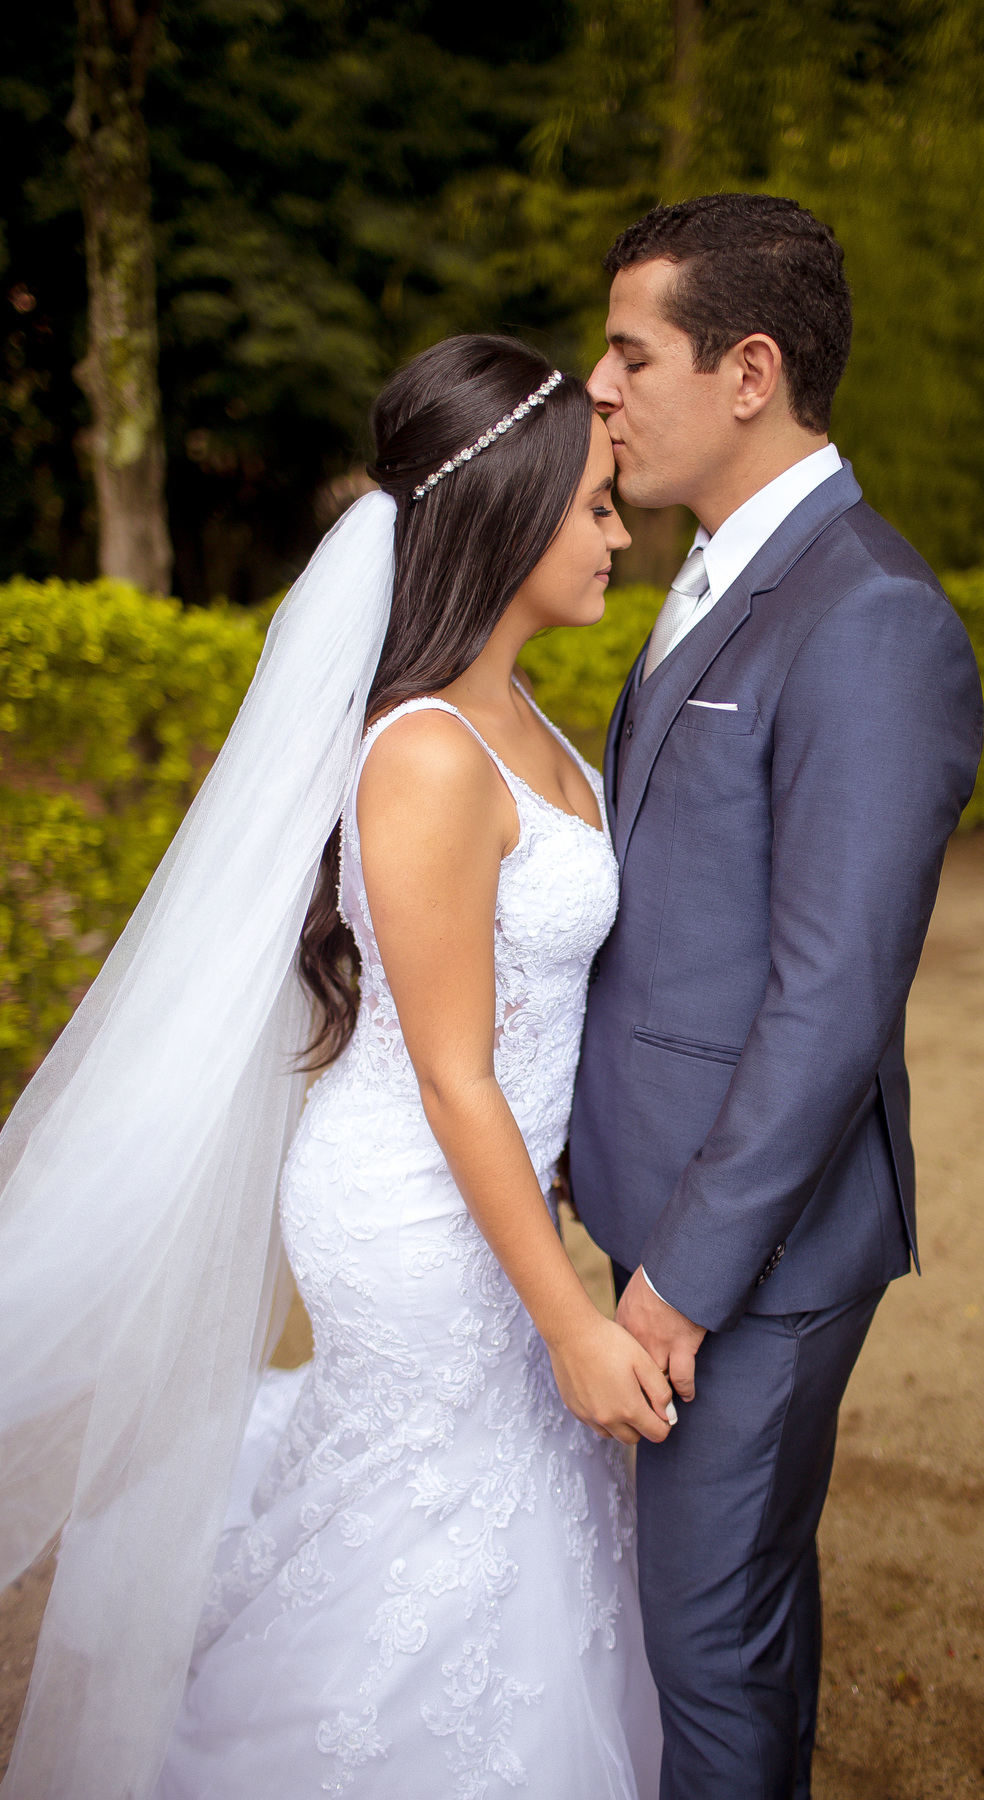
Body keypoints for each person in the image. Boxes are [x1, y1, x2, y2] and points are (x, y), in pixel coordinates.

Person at [0, 336, 664, 1800]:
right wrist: (567, 1318)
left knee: (497, 1521)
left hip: (486, 1195)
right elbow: (453, 1078)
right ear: (512, 512)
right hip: (424, 1212)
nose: (620, 533)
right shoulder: (427, 754)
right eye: (597, 505)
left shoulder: (530, 718)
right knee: (430, 1528)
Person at [569, 193, 984, 1800]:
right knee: (735, 1618)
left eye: (629, 352)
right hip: (663, 1206)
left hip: (746, 1256)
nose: (599, 388)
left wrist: (675, 1283)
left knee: (706, 1656)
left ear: (750, 370)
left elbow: (831, 1003)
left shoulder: (869, 618)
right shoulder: (709, 578)